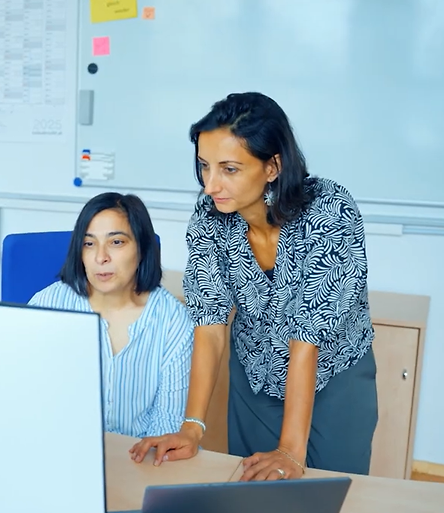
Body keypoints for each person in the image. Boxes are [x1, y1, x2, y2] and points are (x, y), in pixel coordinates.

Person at [129, 92, 377, 480]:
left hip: (333, 376)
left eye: (229, 169)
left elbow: (307, 338)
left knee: (331, 491)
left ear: (273, 166)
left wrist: (291, 450)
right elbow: (209, 324)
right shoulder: (211, 215)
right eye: (204, 167)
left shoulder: (329, 211)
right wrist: (192, 427)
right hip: (256, 373)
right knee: (253, 490)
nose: (211, 185)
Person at [29, 192, 194, 438]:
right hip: (62, 448)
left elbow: (168, 423)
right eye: (89, 243)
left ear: (141, 248)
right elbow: (26, 400)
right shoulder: (47, 306)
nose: (100, 257)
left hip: (143, 457)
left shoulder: (172, 320)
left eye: (116, 242)